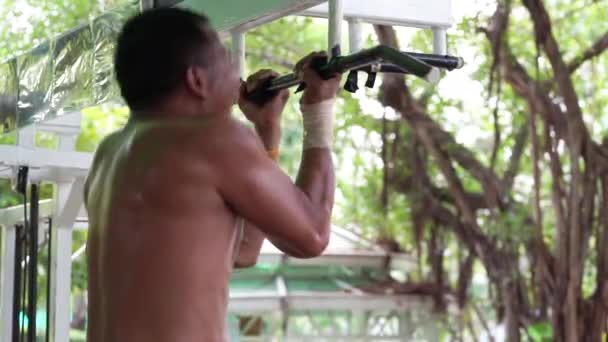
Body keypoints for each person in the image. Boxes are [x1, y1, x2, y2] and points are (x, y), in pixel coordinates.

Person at [83, 7, 341, 342]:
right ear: (197, 79)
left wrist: (266, 130)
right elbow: (312, 235)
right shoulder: (210, 138)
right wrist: (318, 108)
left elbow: (244, 249)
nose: (236, 74)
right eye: (225, 60)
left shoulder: (111, 153)